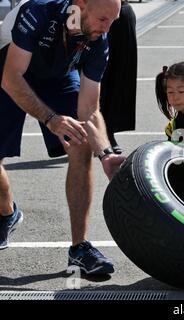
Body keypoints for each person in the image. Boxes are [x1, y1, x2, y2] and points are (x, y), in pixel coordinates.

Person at [0, 0, 126, 276]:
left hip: (58, 76)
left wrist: (105, 153)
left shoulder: (99, 39)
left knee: (81, 144)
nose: (107, 28)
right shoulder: (38, 12)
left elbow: (90, 109)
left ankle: (80, 249)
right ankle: (7, 212)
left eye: (112, 22)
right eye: (103, 19)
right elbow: (12, 78)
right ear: (80, 5)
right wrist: (51, 119)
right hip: (12, 67)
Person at [100, 0, 137, 154]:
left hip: (121, 12)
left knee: (119, 75)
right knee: (88, 75)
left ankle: (108, 132)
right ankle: (82, 132)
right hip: (89, 10)